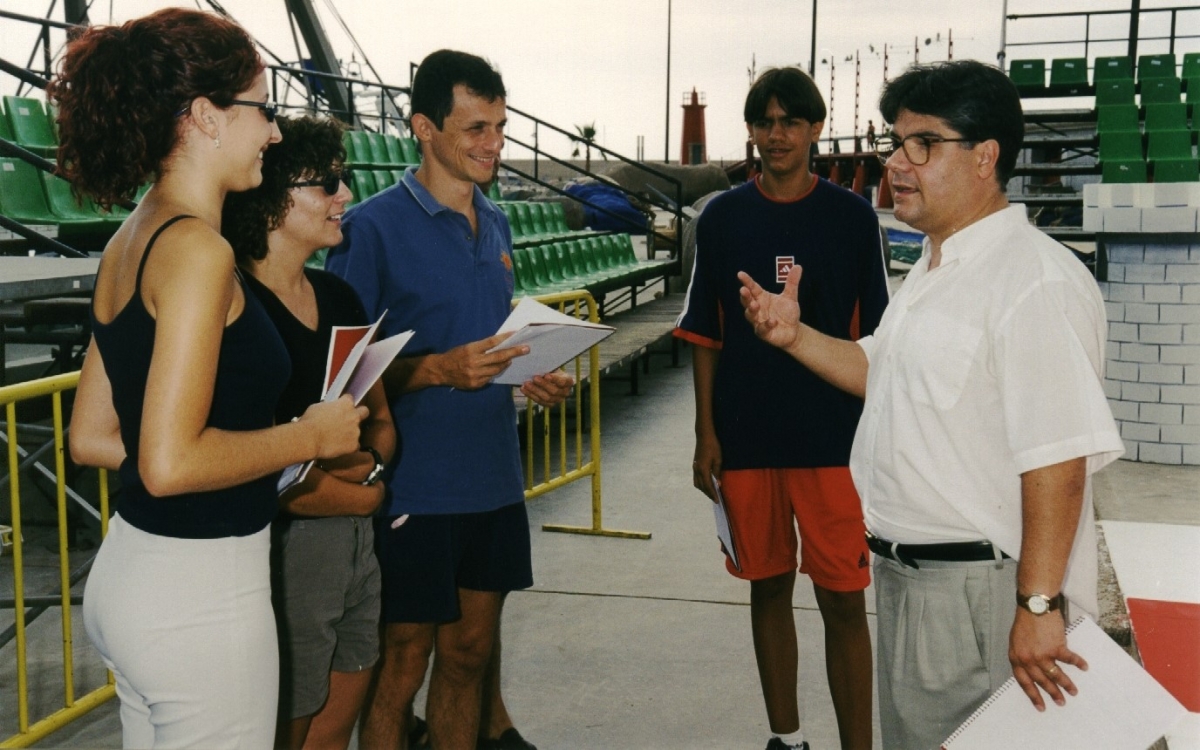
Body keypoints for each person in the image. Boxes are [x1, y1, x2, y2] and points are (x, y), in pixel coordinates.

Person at [738, 60, 1123, 749]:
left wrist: (1037, 606)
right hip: (918, 584)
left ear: (985, 157)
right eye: (896, 142)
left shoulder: (1030, 281)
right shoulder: (937, 266)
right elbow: (878, 369)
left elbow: (1059, 457)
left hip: (977, 591)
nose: (897, 164)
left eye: (922, 144)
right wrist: (794, 337)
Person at [58, 9, 367, 747]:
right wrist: (307, 436)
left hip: (134, 577)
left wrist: (219, 456)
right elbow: (169, 464)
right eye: (261, 110)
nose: (274, 132)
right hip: (200, 595)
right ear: (203, 117)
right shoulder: (199, 254)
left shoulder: (132, 238)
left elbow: (94, 438)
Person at [325, 49, 573, 750]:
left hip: (492, 479)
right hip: (413, 488)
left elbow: (485, 344)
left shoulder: (495, 222)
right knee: (400, 667)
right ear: (423, 128)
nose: (493, 144)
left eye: (498, 126)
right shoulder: (369, 230)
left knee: (467, 656)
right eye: (474, 129)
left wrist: (531, 372)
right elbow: (344, 383)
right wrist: (437, 371)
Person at [675, 67, 888, 750]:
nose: (776, 135)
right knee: (767, 588)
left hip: (832, 440)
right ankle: (786, 737)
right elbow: (705, 334)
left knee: (843, 600)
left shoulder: (853, 218)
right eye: (764, 123)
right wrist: (706, 432)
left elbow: (876, 342)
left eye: (789, 122)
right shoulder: (723, 217)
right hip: (746, 436)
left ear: (816, 128)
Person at [222, 114, 397, 750]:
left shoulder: (339, 296)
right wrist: (362, 490)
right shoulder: (234, 306)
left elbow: (377, 418)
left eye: (343, 179)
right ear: (271, 199)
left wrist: (367, 471)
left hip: (356, 543)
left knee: (335, 724)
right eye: (326, 183)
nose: (344, 195)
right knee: (284, 727)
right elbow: (249, 456)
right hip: (287, 549)